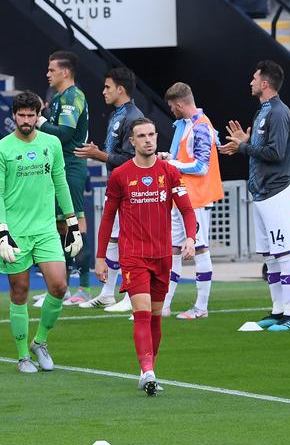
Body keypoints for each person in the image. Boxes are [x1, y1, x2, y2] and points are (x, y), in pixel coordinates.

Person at [95, 118, 196, 395]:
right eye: (142, 136)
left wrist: (190, 237)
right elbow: (108, 218)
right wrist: (100, 256)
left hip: (163, 255)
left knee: (155, 316)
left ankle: (146, 370)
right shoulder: (120, 175)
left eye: (152, 134)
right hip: (134, 256)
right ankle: (149, 371)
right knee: (141, 313)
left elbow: (187, 209)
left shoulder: (170, 172)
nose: (149, 139)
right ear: (132, 141)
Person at [0, 91, 82, 373]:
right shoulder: (1, 149)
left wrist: (73, 223)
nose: (26, 120)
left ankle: (39, 342)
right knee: (20, 291)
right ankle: (22, 356)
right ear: (14, 116)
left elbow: (61, 183)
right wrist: (2, 232)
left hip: (45, 230)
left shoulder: (51, 143)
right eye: (22, 115)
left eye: (31, 115)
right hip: (14, 232)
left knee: (59, 285)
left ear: (38, 115)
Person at [219, 60, 290, 332]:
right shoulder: (264, 111)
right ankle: (278, 311)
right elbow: (261, 149)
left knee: (284, 253)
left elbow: (276, 154)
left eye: (254, 78)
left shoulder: (278, 113)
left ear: (265, 83)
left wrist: (244, 147)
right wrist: (245, 144)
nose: (250, 82)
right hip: (263, 192)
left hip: (277, 191)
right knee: (270, 256)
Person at [73, 67, 144, 310]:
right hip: (117, 184)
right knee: (114, 237)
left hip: (131, 187)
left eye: (107, 87)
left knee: (128, 240)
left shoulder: (134, 117)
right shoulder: (118, 114)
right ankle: (107, 292)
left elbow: (133, 159)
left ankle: (131, 294)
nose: (103, 91)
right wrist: (100, 153)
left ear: (120, 89)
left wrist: (98, 154)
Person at [160, 82, 224, 319]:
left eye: (171, 106)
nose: (171, 110)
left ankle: (201, 307)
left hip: (196, 199)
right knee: (174, 249)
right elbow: (184, 158)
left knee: (200, 248)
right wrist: (169, 158)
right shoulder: (185, 125)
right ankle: (165, 304)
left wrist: (171, 164)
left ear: (178, 104)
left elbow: (201, 166)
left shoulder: (201, 126)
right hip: (182, 197)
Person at [39, 50, 91, 305]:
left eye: (51, 70)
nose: (47, 74)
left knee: (75, 225)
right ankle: (64, 287)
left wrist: (39, 122)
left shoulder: (73, 97)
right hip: (60, 167)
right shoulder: (60, 97)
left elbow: (65, 134)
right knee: (62, 227)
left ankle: (84, 288)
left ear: (65, 72)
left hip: (71, 167)